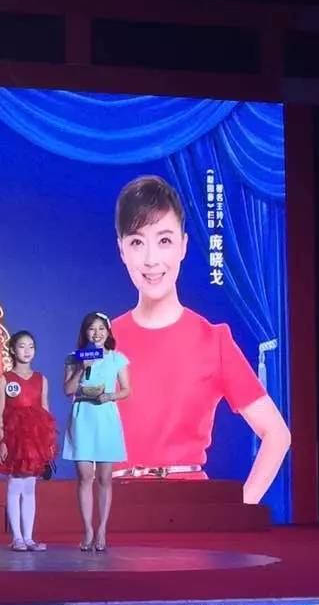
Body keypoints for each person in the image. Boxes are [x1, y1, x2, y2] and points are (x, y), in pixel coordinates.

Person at [109, 175, 291, 504]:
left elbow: (277, 434)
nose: (151, 259)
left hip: (190, 509)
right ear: (121, 249)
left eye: (164, 240)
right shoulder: (103, 342)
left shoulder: (213, 340)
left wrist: (240, 508)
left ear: (183, 245)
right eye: (137, 242)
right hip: (119, 510)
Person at [62, 312, 131, 552]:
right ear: (85, 333)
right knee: (84, 476)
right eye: (92, 329)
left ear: (108, 332)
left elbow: (127, 390)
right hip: (82, 417)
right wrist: (81, 369)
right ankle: (88, 530)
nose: (97, 333)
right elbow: (68, 390)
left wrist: (109, 396)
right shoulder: (74, 358)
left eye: (101, 328)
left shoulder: (117, 359)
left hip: (105, 418)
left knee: (104, 478)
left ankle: (101, 529)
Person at [0, 330, 58, 551]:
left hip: (34, 440)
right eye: (22, 346)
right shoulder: (5, 378)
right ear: (12, 349)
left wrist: (48, 441)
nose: (27, 351)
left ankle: (28, 537)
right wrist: (2, 441)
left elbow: (45, 411)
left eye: (31, 347)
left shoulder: (41, 379)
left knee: (30, 486)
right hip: (14, 438)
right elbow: (0, 412)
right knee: (15, 484)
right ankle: (16, 538)